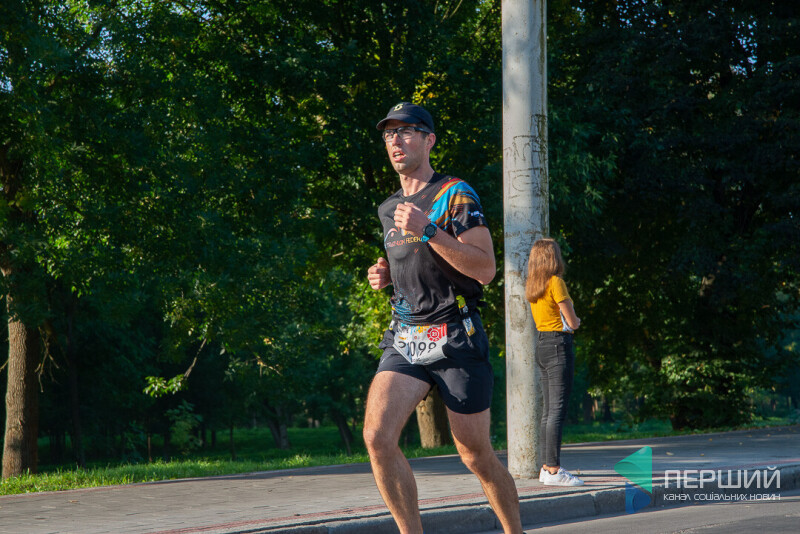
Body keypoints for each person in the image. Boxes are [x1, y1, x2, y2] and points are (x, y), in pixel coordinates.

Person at [364, 102, 523, 534]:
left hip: (456, 335)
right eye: (389, 134)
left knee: (475, 455)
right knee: (377, 437)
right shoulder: (388, 207)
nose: (396, 140)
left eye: (406, 131)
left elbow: (485, 269)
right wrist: (386, 276)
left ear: (429, 140)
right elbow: (414, 267)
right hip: (406, 336)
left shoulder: (455, 194)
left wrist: (429, 229)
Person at [525, 238, 584, 486]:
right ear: (553, 257)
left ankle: (546, 467)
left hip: (542, 345)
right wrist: (577, 321)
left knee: (548, 412)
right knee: (557, 411)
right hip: (559, 345)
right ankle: (553, 470)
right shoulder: (555, 282)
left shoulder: (533, 285)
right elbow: (572, 322)